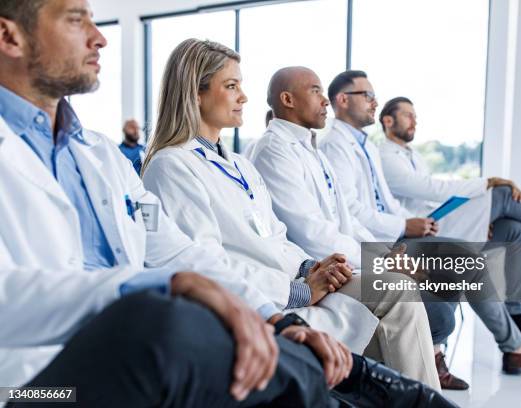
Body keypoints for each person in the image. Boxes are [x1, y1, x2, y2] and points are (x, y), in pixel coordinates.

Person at [0, 2, 455, 407]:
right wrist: (153, 288)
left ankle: (401, 391)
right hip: (30, 386)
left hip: (139, 347)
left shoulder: (98, 156)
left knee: (281, 349)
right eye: (76, 19)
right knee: (164, 323)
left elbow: (179, 252)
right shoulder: (170, 165)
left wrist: (276, 317)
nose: (99, 36)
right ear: (9, 36)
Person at [141, 44, 439, 389]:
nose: (245, 97)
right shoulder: (172, 165)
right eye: (231, 86)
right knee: (396, 307)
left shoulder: (239, 164)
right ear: (195, 94)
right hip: (262, 299)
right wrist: (297, 291)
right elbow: (204, 265)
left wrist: (310, 268)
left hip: (296, 282)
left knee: (398, 290)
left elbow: (277, 237)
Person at [319, 69, 521, 389]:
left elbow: (385, 202)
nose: (374, 102)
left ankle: (504, 340)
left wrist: (418, 226)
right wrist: (403, 228)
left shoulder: (367, 147)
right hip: (381, 240)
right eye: (367, 96)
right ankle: (513, 347)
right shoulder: (337, 146)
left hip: (399, 231)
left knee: (505, 234)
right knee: (466, 255)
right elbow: (353, 211)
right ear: (342, 100)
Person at [378, 96, 521, 354]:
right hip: (418, 236)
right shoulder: (386, 158)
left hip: (435, 223)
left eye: (415, 115)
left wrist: (480, 217)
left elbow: (429, 200)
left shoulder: (412, 155)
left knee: (516, 230)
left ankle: (517, 316)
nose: (415, 120)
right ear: (388, 121)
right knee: (501, 193)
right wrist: (487, 182)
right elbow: (433, 190)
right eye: (408, 115)